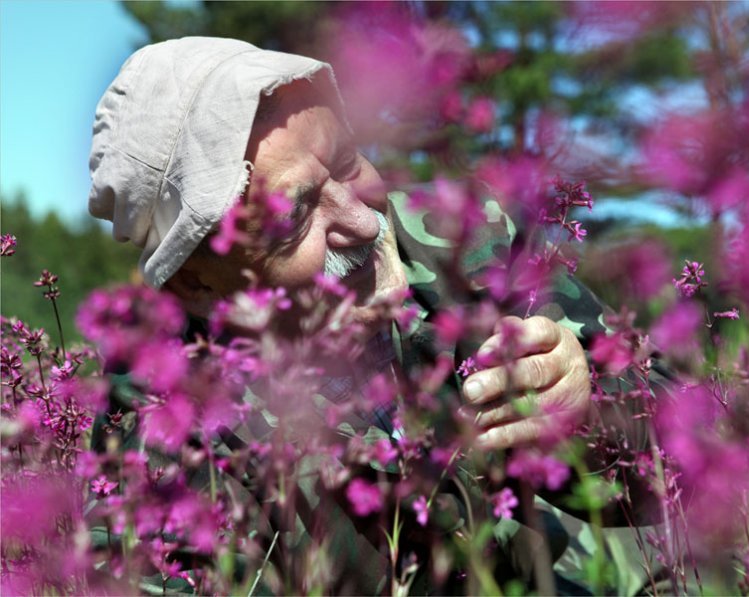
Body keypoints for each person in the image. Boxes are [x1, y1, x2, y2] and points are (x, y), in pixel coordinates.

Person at [89, 37, 659, 594]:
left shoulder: (466, 240)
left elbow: (699, 453)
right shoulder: (163, 424)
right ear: (198, 285)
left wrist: (586, 413)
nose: (363, 222)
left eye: (346, 161)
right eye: (294, 218)